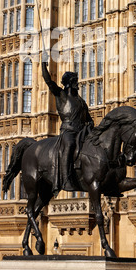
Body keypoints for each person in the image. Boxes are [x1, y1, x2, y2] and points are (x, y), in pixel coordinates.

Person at [42, 51, 94, 194]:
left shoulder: (80, 101)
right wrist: (43, 63)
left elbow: (88, 118)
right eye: (75, 81)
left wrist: (91, 124)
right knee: (70, 144)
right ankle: (66, 179)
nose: (78, 83)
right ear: (70, 83)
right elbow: (48, 81)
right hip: (68, 131)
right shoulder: (62, 95)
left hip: (82, 132)